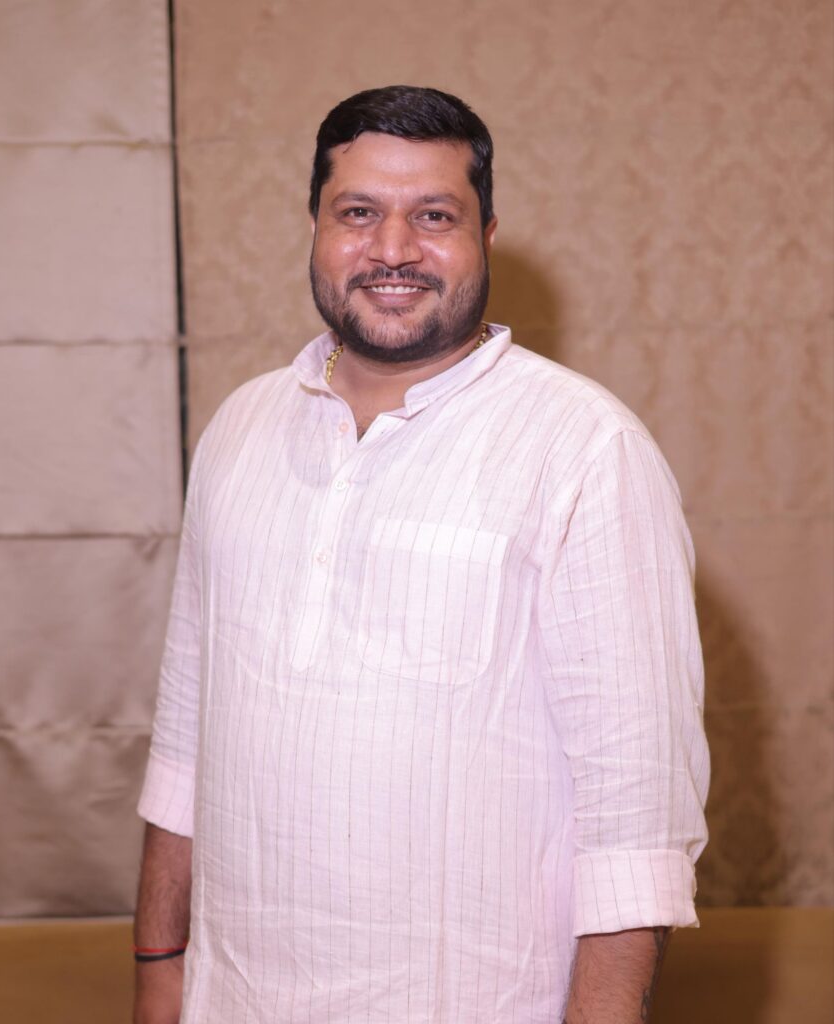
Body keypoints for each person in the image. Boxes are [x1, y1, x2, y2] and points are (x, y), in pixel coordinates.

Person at [133, 85, 709, 1024]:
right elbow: (185, 735)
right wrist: (159, 966)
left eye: (433, 216)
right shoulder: (239, 427)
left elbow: (635, 822)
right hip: (231, 998)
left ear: (486, 235)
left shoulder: (584, 449)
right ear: (316, 227)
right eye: (358, 212)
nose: (392, 249)